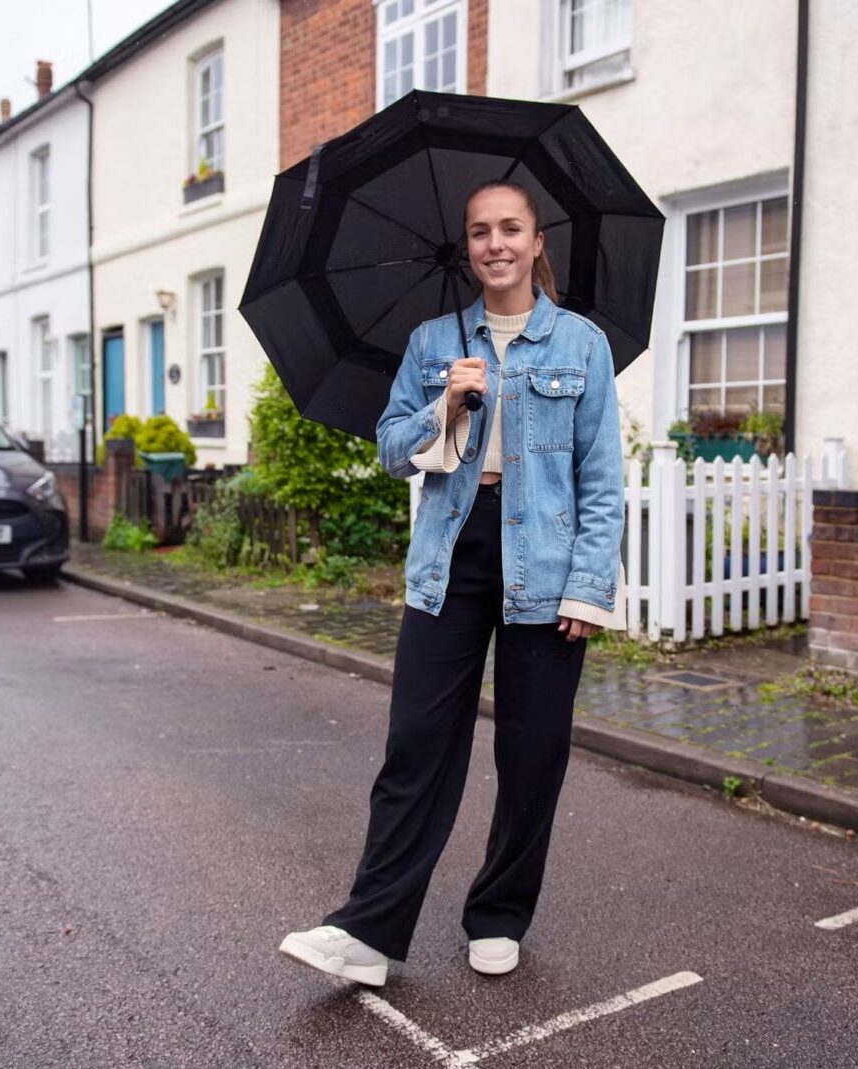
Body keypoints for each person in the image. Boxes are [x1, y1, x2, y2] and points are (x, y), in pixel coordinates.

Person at [278, 180, 626, 987]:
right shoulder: (435, 340)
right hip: (450, 557)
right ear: (466, 247)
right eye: (479, 231)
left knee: (532, 752)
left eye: (511, 228)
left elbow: (602, 482)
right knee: (418, 745)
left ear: (538, 242)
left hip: (544, 559)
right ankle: (367, 930)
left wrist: (587, 589)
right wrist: (448, 403)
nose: (495, 243)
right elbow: (391, 448)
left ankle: (499, 913)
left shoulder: (581, 345)